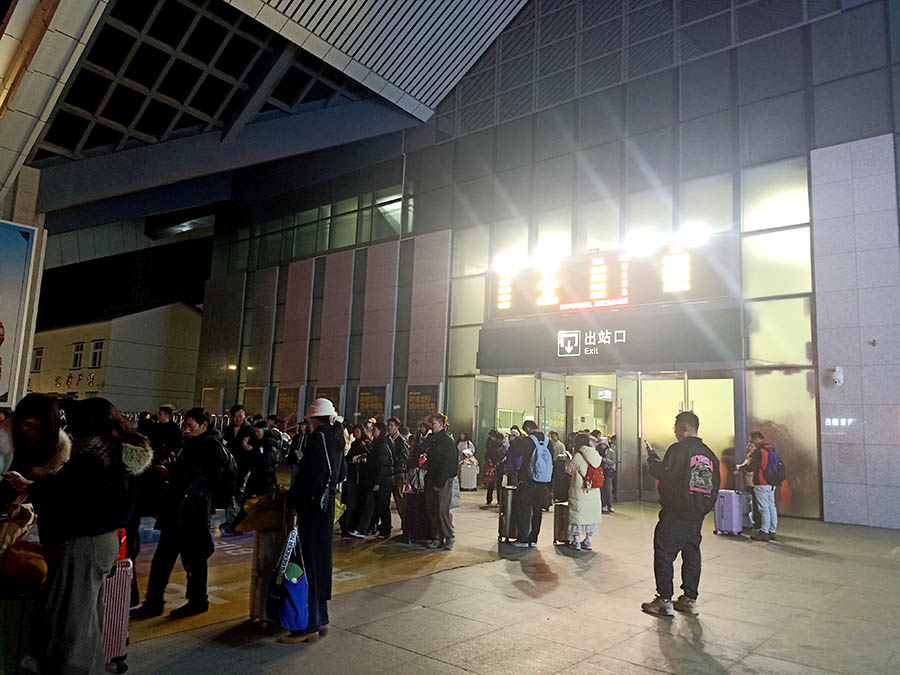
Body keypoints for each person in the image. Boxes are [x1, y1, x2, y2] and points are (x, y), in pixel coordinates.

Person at [4, 398, 152, 673]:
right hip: (102, 542)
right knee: (85, 618)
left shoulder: (94, 459)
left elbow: (74, 499)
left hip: (85, 543)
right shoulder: (117, 455)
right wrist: (33, 486)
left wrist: (35, 489)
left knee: (70, 621)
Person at [132, 408, 225, 619]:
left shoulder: (211, 447)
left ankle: (198, 600)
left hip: (193, 514)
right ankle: (155, 602)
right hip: (176, 511)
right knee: (162, 560)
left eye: (191, 426)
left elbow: (208, 481)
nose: (187, 430)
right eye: (185, 425)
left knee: (193, 560)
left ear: (204, 425)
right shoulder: (190, 444)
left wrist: (180, 479)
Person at [280, 399, 346, 644]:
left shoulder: (319, 439)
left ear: (314, 419)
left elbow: (310, 477)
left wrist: (294, 504)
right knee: (320, 562)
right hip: (326, 507)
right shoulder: (337, 438)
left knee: (307, 564)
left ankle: (308, 626)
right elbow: (342, 473)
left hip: (313, 508)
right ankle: (322, 619)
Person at [641, 411, 719, 618]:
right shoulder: (709, 454)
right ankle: (689, 599)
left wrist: (652, 461)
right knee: (692, 553)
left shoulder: (678, 450)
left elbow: (665, 474)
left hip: (676, 512)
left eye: (676, 428)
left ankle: (664, 599)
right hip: (697, 514)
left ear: (684, 428)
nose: (674, 432)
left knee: (665, 552)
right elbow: (715, 485)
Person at [511, 419, 553, 548]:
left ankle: (523, 539)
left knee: (523, 508)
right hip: (543, 481)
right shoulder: (548, 442)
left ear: (528, 429)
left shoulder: (528, 441)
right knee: (537, 510)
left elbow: (515, 453)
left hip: (528, 480)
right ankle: (533, 539)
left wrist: (516, 440)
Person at [738, 431, 779, 542]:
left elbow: (752, 467)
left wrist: (744, 467)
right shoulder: (771, 449)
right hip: (771, 483)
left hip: (761, 483)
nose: (752, 443)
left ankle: (764, 532)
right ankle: (772, 531)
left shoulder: (758, 452)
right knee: (772, 507)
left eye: (752, 440)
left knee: (763, 508)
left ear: (756, 439)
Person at [424, 414, 457, 550]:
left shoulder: (448, 441)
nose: (432, 426)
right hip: (431, 477)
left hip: (443, 479)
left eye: (435, 423)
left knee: (442, 509)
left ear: (442, 424)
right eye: (431, 423)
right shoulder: (432, 439)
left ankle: (449, 535)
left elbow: (449, 464)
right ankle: (437, 536)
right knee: (432, 509)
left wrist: (440, 482)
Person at [565, 433, 603, 550]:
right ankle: (588, 540)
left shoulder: (578, 455)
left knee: (577, 515)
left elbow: (569, 470)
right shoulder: (595, 454)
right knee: (590, 516)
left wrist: (568, 459)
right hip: (593, 490)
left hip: (580, 490)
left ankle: (576, 542)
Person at [357, 421, 394, 539]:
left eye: (375, 429)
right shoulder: (376, 443)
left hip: (383, 481)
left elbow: (383, 466)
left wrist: (378, 482)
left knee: (383, 506)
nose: (373, 431)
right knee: (375, 505)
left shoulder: (382, 445)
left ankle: (385, 530)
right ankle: (370, 528)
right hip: (378, 480)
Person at [220, 404, 253, 535]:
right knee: (230, 492)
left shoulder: (249, 429)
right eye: (235, 417)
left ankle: (240, 520)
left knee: (240, 493)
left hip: (244, 466)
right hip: (231, 466)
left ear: (244, 414)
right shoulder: (229, 429)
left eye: (240, 416)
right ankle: (231, 519)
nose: (238, 419)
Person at [387, 416, 410, 542]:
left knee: (399, 499)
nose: (389, 428)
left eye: (392, 426)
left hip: (398, 473)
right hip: (390, 473)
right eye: (389, 425)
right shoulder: (388, 439)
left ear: (397, 427)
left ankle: (405, 524)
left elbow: (404, 457)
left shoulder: (400, 441)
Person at [342, 425, 368, 537]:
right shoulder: (354, 444)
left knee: (354, 502)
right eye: (355, 431)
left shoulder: (365, 443)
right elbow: (348, 458)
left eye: (358, 431)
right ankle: (347, 525)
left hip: (359, 477)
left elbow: (369, 457)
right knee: (350, 502)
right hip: (352, 476)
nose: (356, 433)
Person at [484, 430, 504, 505]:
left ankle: (498, 500)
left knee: (496, 484)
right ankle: (491, 499)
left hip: (498, 466)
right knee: (493, 483)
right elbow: (488, 454)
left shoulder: (500, 446)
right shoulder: (493, 446)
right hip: (495, 466)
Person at [599, 439, 616, 514]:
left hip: (608, 472)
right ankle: (603, 505)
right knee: (602, 489)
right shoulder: (598, 451)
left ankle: (610, 505)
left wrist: (604, 460)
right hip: (601, 472)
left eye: (603, 444)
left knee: (608, 489)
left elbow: (613, 461)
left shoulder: (611, 451)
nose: (602, 446)